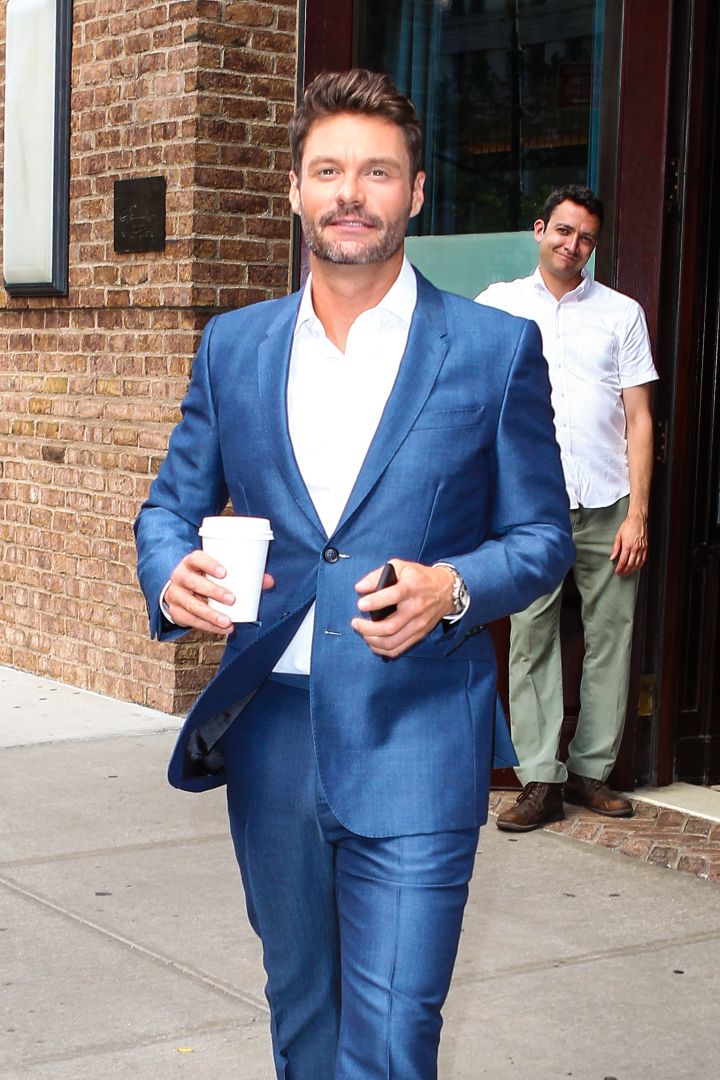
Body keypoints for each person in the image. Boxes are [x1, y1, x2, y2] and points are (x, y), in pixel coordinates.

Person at [135, 69, 573, 1079]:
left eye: (377, 173)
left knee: (390, 1044)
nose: (350, 192)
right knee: (304, 1021)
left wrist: (453, 589)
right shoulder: (231, 348)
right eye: (328, 170)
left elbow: (541, 537)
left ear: (415, 194)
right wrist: (170, 573)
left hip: (417, 727)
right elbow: (168, 505)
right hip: (273, 735)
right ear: (293, 190)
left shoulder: (495, 349)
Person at [476, 185, 658, 833]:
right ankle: (540, 781)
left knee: (611, 639)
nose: (572, 246)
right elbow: (470, 396)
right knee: (530, 641)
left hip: (608, 503)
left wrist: (638, 514)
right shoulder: (498, 306)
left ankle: (589, 773)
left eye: (584, 238)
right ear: (539, 230)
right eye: (563, 231)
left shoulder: (620, 313)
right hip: (531, 509)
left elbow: (639, 419)